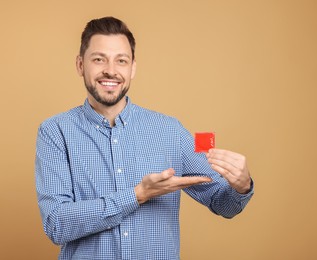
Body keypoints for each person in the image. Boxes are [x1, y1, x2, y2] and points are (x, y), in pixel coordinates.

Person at [35, 16, 254, 260]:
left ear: (133, 68)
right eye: (99, 59)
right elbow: (56, 224)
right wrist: (137, 195)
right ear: (80, 65)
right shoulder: (55, 132)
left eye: (121, 61)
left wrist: (241, 186)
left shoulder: (171, 131)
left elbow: (223, 203)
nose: (111, 70)